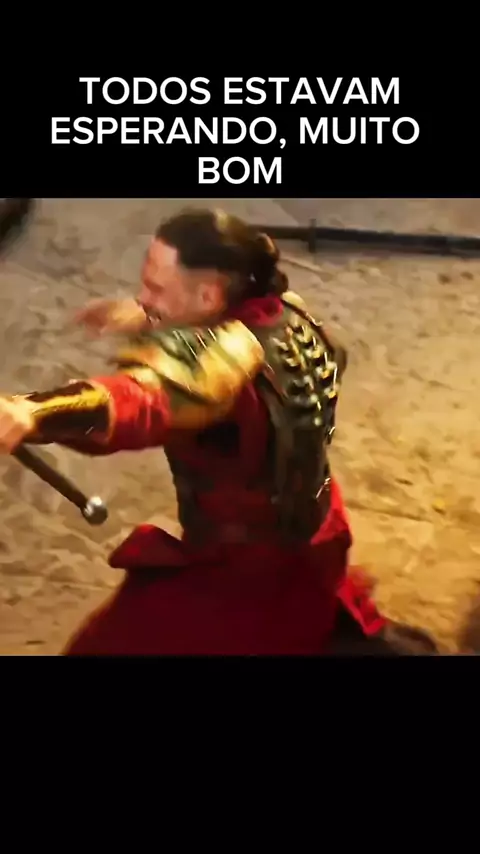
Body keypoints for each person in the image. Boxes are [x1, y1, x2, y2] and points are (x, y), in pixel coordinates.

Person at [0, 208, 438, 655]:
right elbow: (217, 333)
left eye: (156, 289)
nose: (143, 297)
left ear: (209, 296)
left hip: (246, 575)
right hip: (320, 531)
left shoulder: (219, 370)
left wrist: (32, 412)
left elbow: (137, 402)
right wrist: (151, 315)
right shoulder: (290, 313)